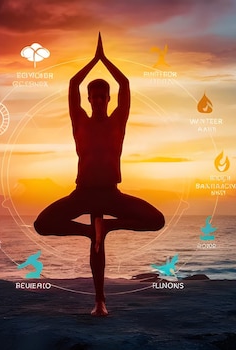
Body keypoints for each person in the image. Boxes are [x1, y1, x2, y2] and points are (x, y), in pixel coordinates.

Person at [34, 33, 165, 316]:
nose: (96, 101)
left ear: (108, 98)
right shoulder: (79, 121)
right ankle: (92, 246)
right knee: (42, 224)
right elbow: (72, 84)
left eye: (101, 97)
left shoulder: (119, 121)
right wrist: (92, 60)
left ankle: (105, 234)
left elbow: (126, 84)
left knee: (156, 220)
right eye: (92, 97)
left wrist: (106, 60)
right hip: (82, 193)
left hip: (111, 194)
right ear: (88, 99)